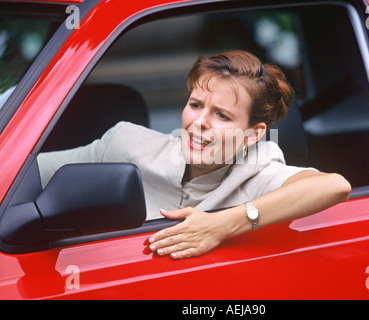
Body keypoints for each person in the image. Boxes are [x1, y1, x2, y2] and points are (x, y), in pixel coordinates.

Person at [37, 50, 351, 260]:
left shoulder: (258, 169)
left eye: (222, 116)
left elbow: (334, 186)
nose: (199, 123)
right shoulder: (127, 144)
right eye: (196, 105)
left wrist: (222, 225)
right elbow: (22, 177)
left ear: (253, 134)